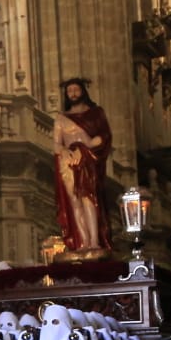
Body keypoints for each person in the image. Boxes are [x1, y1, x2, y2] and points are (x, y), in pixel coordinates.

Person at [52, 78, 112, 254]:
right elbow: (56, 144)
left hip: (86, 160)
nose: (73, 93)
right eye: (69, 90)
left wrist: (83, 149)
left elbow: (104, 136)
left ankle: (94, 241)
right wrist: (65, 151)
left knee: (89, 198)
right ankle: (83, 242)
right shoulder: (61, 119)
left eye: (76, 89)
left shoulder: (95, 113)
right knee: (74, 202)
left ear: (83, 91)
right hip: (67, 162)